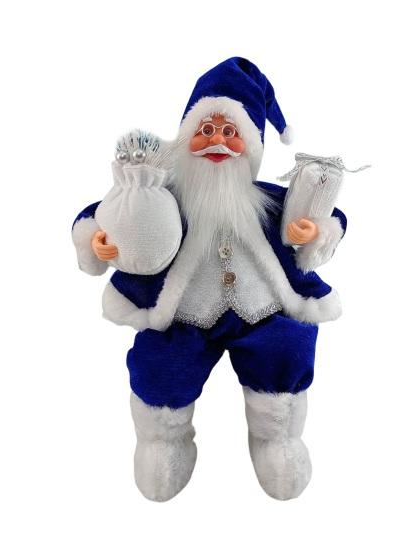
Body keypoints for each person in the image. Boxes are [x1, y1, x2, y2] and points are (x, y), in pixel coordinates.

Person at [72, 57, 347, 501]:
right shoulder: (162, 197)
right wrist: (100, 238)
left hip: (262, 312)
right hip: (184, 315)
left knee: (286, 352)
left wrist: (313, 232)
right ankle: (163, 443)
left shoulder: (269, 201)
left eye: (230, 131)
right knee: (161, 367)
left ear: (252, 146)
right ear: (185, 138)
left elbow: (332, 219)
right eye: (206, 129)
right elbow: (102, 213)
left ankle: (277, 438)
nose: (217, 141)